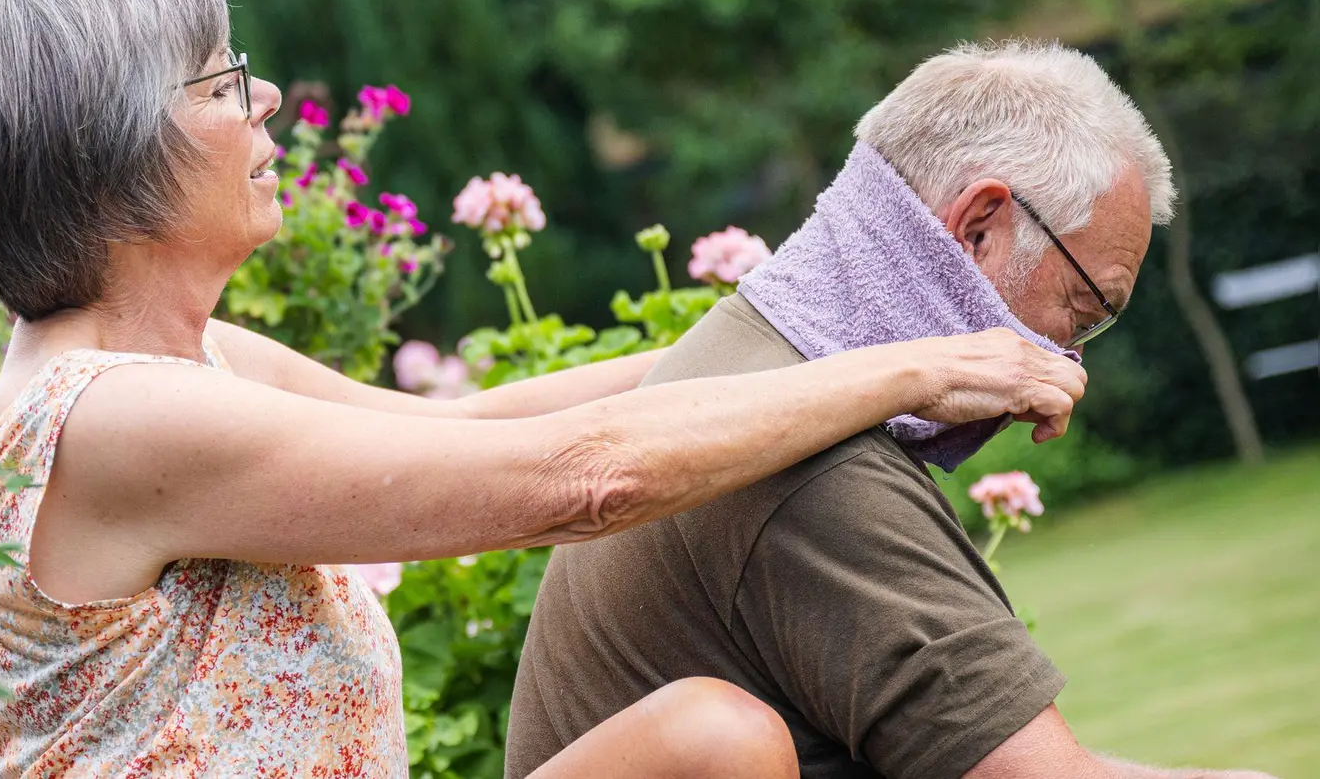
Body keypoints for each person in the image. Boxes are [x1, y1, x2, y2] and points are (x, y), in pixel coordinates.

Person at [0, 0, 1085, 779]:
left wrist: (797, 329)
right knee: (713, 741)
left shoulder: (184, 360)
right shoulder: (110, 418)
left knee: (708, 738)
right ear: (106, 161)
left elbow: (471, 428)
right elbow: (576, 481)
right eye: (219, 83)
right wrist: (906, 372)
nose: (264, 97)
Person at [505, 41, 1280, 779]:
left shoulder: (746, 364)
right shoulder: (819, 472)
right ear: (979, 227)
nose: (1068, 366)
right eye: (1082, 313)